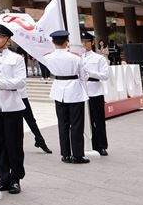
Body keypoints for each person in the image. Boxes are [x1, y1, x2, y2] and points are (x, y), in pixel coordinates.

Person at [0, 24, 26, 194]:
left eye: (0, 36)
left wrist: (0, 83)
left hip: (12, 104)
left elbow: (21, 81)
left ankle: (16, 178)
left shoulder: (16, 58)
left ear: (8, 40)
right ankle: (3, 178)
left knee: (14, 143)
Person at [40, 30, 89, 164]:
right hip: (74, 91)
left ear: (53, 42)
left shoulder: (47, 57)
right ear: (67, 42)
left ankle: (65, 154)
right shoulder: (76, 57)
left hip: (58, 90)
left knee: (63, 124)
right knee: (77, 125)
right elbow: (84, 76)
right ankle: (77, 155)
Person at [82, 32, 110, 156]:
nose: (84, 44)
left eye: (86, 41)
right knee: (84, 121)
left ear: (92, 43)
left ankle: (101, 146)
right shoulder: (78, 57)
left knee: (98, 121)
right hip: (81, 93)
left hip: (95, 92)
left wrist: (89, 73)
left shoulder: (99, 58)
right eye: (82, 41)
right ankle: (89, 144)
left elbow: (105, 75)